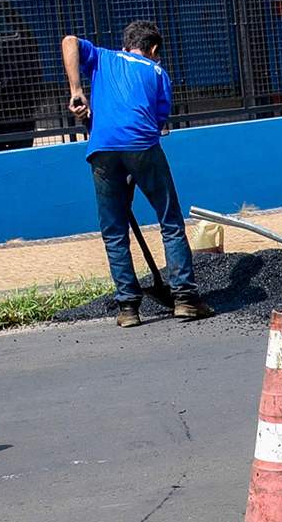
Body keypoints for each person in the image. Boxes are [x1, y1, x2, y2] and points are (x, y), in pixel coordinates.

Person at [62, 21, 206, 326]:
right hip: (142, 147)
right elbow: (157, 122)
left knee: (114, 232)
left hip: (103, 150)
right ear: (153, 50)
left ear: (126, 44)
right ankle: (185, 299)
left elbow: (70, 41)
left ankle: (128, 308)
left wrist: (78, 92)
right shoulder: (156, 73)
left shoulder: (102, 57)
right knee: (170, 221)